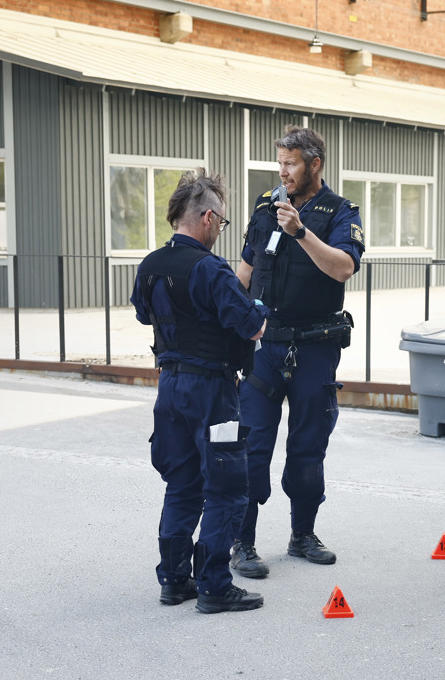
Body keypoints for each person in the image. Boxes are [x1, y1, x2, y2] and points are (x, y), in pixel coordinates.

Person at [230, 125, 365, 579]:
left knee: (308, 449)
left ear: (315, 164)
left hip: (314, 349)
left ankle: (302, 535)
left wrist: (302, 231)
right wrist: (225, 323)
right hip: (264, 347)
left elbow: (344, 268)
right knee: (250, 445)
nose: (283, 172)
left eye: (291, 164)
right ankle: (242, 544)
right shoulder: (266, 207)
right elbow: (245, 272)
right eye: (280, 163)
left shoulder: (341, 212)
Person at [132, 169, 268, 613]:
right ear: (208, 217)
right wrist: (258, 311)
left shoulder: (150, 265)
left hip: (169, 387)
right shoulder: (211, 268)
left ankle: (174, 581)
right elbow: (251, 326)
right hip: (213, 391)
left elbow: (142, 315)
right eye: (223, 222)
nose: (221, 230)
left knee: (181, 484)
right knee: (226, 488)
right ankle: (213, 586)